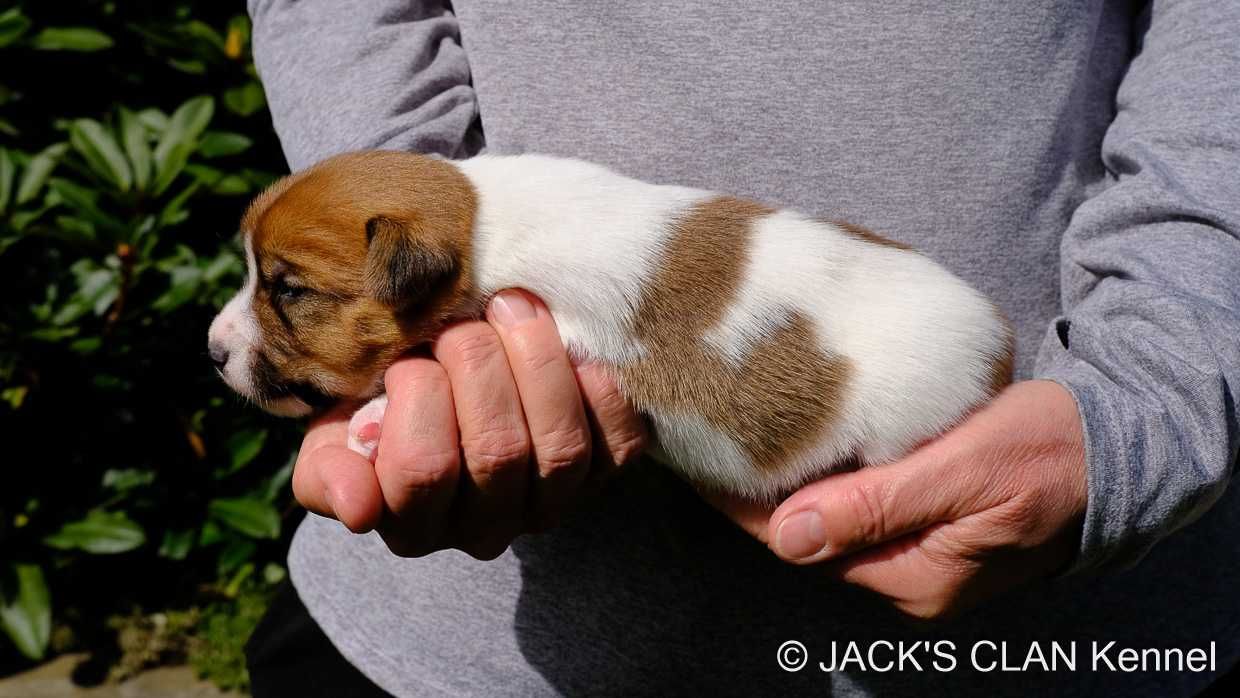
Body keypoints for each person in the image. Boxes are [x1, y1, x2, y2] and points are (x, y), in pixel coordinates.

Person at [241, 1, 1240, 696]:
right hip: (457, 645)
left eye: (280, 292)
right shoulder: (418, 257)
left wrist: (1151, 394)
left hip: (1079, 642)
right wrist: (392, 208)